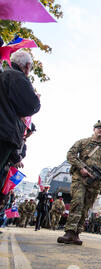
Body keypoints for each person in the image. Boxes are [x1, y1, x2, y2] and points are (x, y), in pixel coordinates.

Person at [57, 121, 101, 245]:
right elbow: (70, 155)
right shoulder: (83, 142)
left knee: (86, 207)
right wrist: (81, 167)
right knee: (77, 202)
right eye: (99, 128)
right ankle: (69, 232)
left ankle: (77, 233)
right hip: (80, 178)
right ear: (94, 129)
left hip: (95, 182)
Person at [0, 50, 40, 201]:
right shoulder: (17, 77)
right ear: (27, 66)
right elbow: (31, 107)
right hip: (5, 133)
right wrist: (35, 99)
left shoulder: (4, 74)